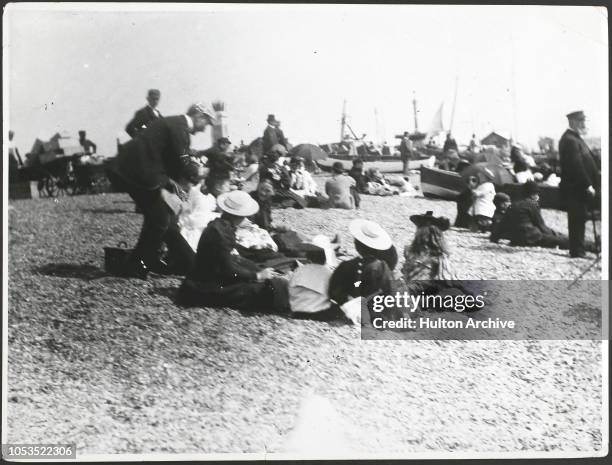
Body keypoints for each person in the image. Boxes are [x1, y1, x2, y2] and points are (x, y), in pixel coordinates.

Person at [108, 102, 215, 278]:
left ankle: (178, 261)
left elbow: (174, 170)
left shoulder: (176, 125)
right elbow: (183, 166)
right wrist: (201, 173)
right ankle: (137, 264)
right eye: (206, 123)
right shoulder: (179, 128)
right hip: (137, 173)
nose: (204, 129)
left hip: (136, 171)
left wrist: (183, 195)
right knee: (160, 220)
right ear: (199, 116)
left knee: (165, 220)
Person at [178, 190, 288, 312]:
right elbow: (227, 268)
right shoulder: (220, 232)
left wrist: (257, 270)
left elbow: (230, 260)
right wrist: (257, 275)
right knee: (267, 291)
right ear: (239, 216)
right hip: (205, 286)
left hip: (209, 279)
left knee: (269, 283)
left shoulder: (221, 226)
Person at [490, 181, 596, 252]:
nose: (538, 196)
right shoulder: (532, 204)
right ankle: (593, 246)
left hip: (516, 239)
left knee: (559, 236)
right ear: (533, 194)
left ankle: (591, 245)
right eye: (537, 194)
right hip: (532, 238)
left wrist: (494, 238)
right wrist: (554, 234)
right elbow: (541, 226)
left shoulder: (513, 205)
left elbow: (501, 226)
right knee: (563, 240)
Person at [328, 219, 397, 320]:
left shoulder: (346, 266)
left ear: (356, 245)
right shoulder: (384, 269)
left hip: (350, 310)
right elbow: (390, 293)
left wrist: (348, 299)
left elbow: (334, 291)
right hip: (377, 313)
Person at [558, 110, 600, 258]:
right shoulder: (569, 140)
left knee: (580, 217)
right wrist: (588, 184)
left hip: (579, 187)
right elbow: (576, 165)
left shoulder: (576, 138)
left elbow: (589, 159)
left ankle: (579, 248)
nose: (584, 124)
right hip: (575, 188)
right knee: (577, 218)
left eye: (584, 121)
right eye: (581, 121)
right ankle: (577, 251)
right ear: (573, 122)